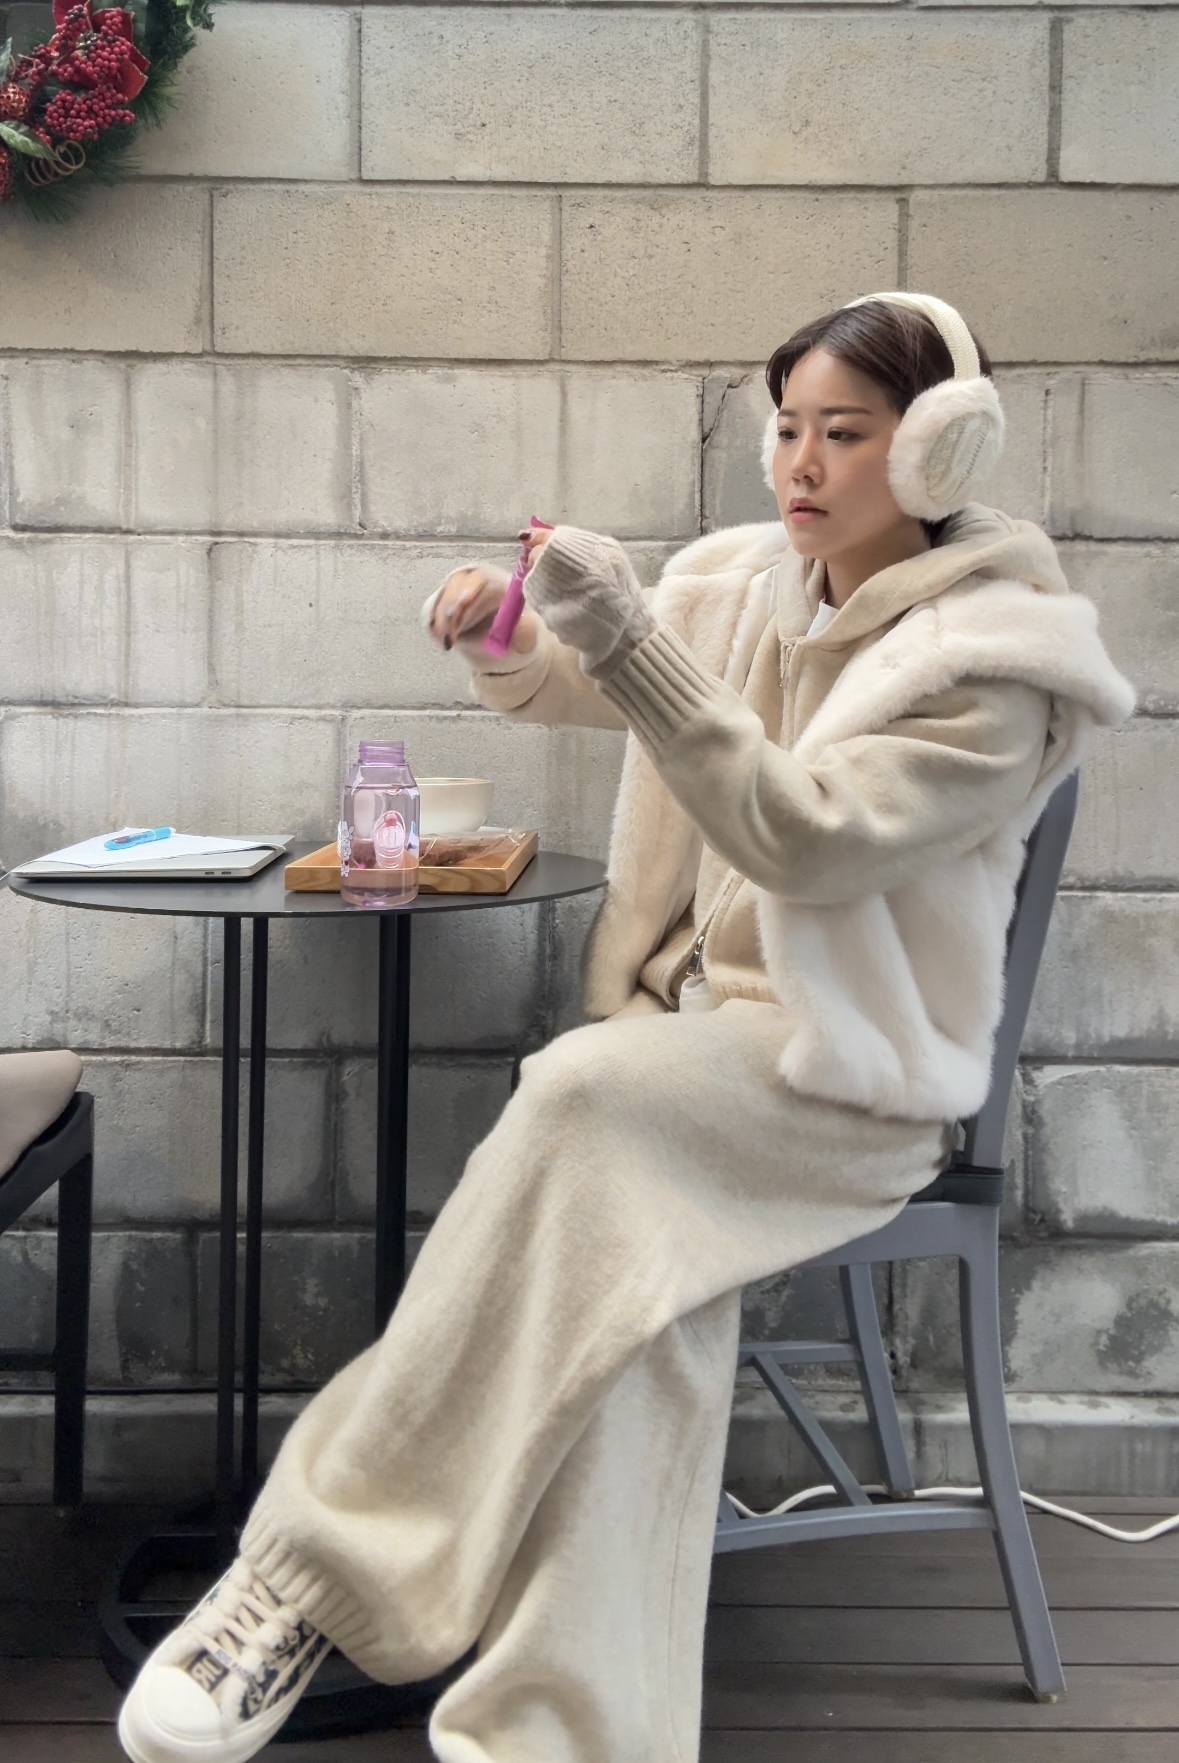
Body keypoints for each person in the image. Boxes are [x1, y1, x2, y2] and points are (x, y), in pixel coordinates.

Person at [117, 293, 1134, 1763]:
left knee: (581, 1095)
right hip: (695, 1053)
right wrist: (508, 626)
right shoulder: (746, 585)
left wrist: (631, 635)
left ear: (937, 451)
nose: (802, 462)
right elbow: (580, 681)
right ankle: (558, 1739)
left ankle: (303, 1580)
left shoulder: (994, 670)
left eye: (847, 433)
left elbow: (805, 840)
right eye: (788, 428)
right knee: (638, 1299)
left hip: (851, 1083)